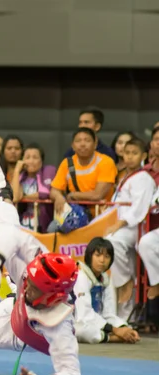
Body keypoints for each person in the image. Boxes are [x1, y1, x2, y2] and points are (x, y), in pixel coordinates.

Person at [0, 159, 82, 375]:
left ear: (53, 296)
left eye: (36, 290)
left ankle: (21, 338)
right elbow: (11, 235)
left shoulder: (60, 324)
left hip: (32, 331)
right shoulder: (38, 260)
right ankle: (0, 187)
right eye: (31, 284)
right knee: (5, 230)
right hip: (18, 296)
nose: (31, 289)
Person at [105, 138, 155, 319]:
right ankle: (126, 317)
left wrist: (120, 222)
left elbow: (139, 208)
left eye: (134, 153)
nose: (130, 157)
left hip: (135, 227)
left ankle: (125, 281)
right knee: (112, 251)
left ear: (143, 156)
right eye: (127, 153)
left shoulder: (144, 178)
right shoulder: (124, 176)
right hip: (123, 227)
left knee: (112, 243)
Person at [74, 238, 140, 344]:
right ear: (89, 256)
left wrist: (124, 328)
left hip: (97, 322)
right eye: (98, 255)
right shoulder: (81, 276)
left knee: (127, 326)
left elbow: (108, 313)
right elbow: (84, 315)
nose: (102, 260)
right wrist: (116, 331)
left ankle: (119, 335)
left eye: (107, 256)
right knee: (82, 331)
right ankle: (113, 338)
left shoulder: (105, 279)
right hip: (78, 321)